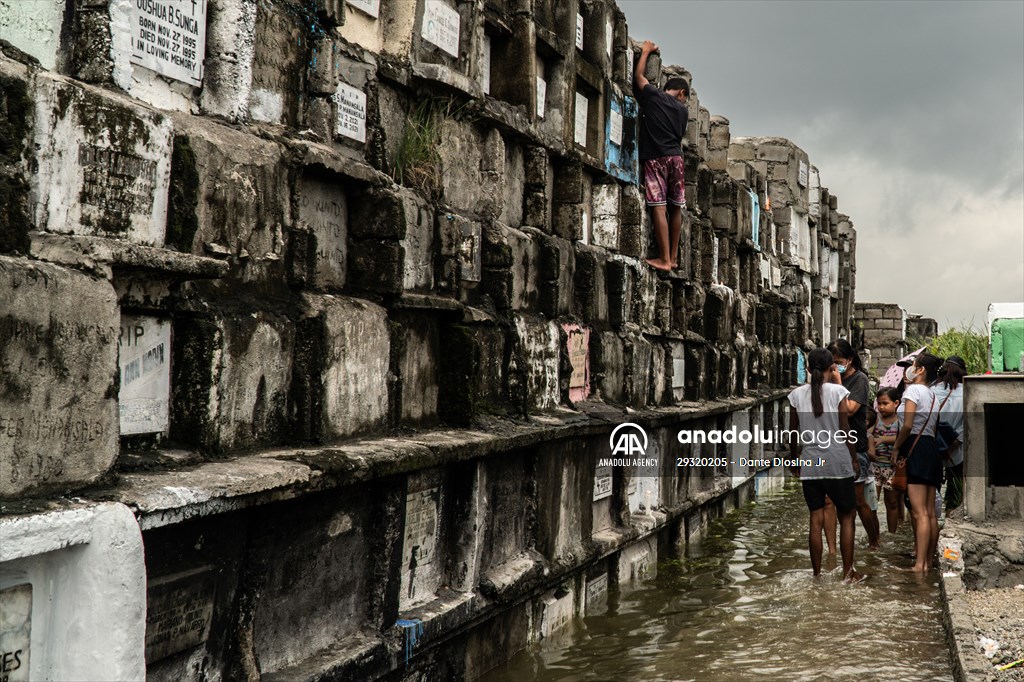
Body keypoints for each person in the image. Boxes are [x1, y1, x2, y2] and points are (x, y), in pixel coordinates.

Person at [788, 348, 864, 582]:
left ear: (809, 369)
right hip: (837, 461)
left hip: (811, 463)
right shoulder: (838, 391)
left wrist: (794, 458)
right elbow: (844, 429)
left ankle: (817, 574)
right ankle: (848, 572)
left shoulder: (796, 395)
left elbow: (792, 432)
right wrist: (853, 458)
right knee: (848, 516)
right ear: (832, 368)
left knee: (815, 518)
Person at [633, 40, 689, 272]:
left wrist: (645, 52)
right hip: (676, 159)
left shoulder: (655, 97)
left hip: (656, 159)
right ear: (682, 94)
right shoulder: (683, 110)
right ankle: (673, 259)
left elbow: (638, 78)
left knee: (658, 205)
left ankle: (664, 259)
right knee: (675, 207)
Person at [828, 339, 881, 549]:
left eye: (838, 362)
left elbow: (849, 409)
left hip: (856, 446)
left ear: (849, 360)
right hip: (834, 446)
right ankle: (845, 544)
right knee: (840, 504)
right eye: (831, 363)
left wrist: (838, 382)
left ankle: (874, 541)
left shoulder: (859, 379)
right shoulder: (827, 379)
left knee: (859, 502)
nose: (834, 366)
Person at [892, 353, 942, 572]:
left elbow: (907, 425)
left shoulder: (912, 390)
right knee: (930, 512)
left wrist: (895, 447)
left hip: (915, 446)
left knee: (918, 511)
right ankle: (928, 562)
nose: (910, 369)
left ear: (921, 370)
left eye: (913, 365)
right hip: (931, 448)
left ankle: (919, 564)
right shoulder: (933, 395)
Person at [932, 355, 966, 511]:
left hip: (933, 446)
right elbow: (967, 424)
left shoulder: (932, 392)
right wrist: (953, 445)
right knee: (955, 488)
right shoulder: (967, 393)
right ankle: (951, 517)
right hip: (956, 450)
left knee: (932, 490)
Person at [869, 387, 905, 533]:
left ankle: (892, 533)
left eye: (885, 403)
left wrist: (884, 439)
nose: (881, 407)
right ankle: (874, 534)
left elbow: (904, 438)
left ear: (896, 403)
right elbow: (867, 433)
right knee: (872, 503)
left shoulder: (901, 420)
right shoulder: (875, 419)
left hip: (892, 468)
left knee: (892, 503)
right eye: (879, 403)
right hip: (875, 467)